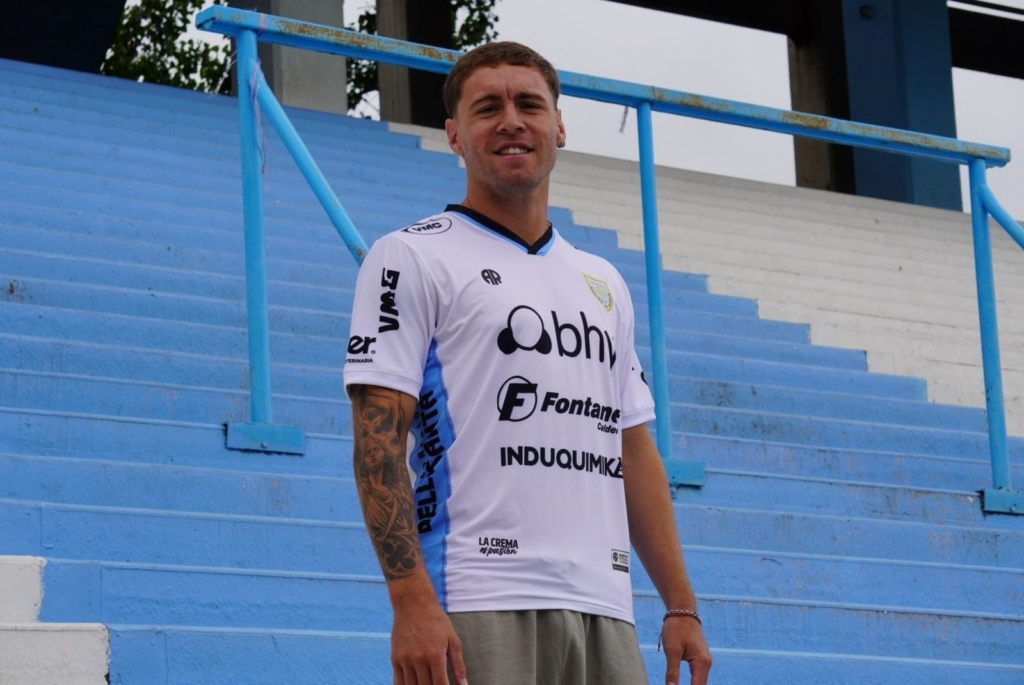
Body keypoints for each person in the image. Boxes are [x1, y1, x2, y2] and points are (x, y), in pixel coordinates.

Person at [344, 41, 711, 685]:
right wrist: (411, 602)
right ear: (455, 135)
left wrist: (681, 604)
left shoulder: (603, 280)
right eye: (488, 108)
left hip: (605, 607)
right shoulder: (409, 256)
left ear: (559, 126)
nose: (511, 121)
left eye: (530, 105)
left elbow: (632, 447)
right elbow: (378, 439)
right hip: (478, 595)